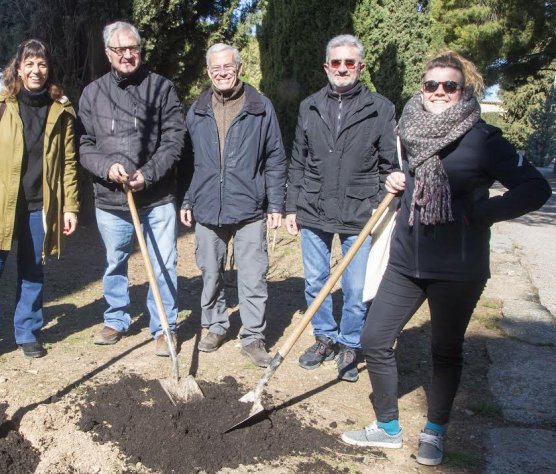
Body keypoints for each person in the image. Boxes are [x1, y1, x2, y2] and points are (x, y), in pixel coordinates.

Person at [340, 50, 551, 465]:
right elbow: (404, 175)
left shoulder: (484, 139)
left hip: (458, 266)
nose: (439, 92)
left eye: (449, 85)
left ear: (464, 90)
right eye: (431, 84)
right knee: (374, 340)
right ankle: (386, 427)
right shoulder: (409, 130)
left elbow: (534, 188)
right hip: (406, 260)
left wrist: (481, 213)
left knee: (445, 350)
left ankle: (434, 431)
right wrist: (393, 176)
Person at [285, 34, 397, 382]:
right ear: (326, 66)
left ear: (360, 67)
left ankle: (350, 344)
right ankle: (324, 338)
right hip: (314, 208)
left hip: (358, 213)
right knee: (316, 281)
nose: (343, 68)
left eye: (350, 63)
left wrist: (376, 206)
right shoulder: (309, 106)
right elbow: (297, 162)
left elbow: (388, 166)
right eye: (337, 62)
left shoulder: (381, 108)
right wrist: (292, 207)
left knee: (355, 285)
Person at [0, 39, 80, 362]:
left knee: (32, 273)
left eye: (41, 64)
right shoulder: (0, 105)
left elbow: (69, 163)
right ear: (18, 68)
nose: (35, 70)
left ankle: (28, 332)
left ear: (49, 69)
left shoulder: (62, 111)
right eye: (29, 63)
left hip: (39, 206)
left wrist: (70, 206)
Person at [77, 21, 186, 356]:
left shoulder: (162, 88)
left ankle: (164, 326)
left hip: (156, 197)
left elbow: (174, 139)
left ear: (141, 49)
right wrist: (107, 168)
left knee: (164, 263)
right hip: (111, 199)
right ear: (108, 53)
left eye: (133, 48)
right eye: (119, 49)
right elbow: (84, 144)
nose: (127, 55)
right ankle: (116, 318)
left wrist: (148, 174)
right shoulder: (93, 94)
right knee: (115, 261)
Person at [180, 43, 287, 367]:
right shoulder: (197, 110)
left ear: (239, 68)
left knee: (253, 276)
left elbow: (275, 158)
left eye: (227, 66)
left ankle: (253, 336)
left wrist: (276, 204)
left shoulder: (260, 107)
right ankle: (215, 325)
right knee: (210, 273)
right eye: (215, 68)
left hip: (250, 209)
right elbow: (188, 163)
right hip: (208, 208)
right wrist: (187, 198)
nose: (222, 73)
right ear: (208, 72)